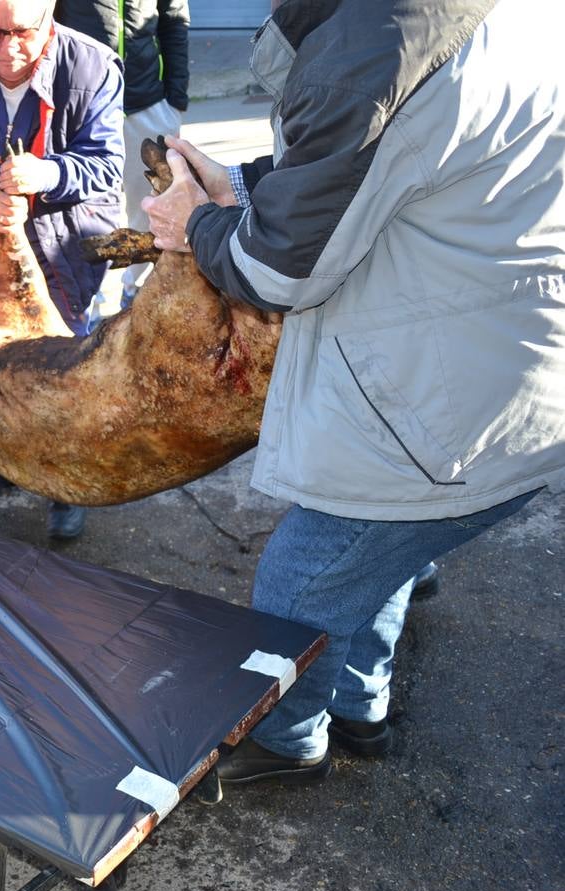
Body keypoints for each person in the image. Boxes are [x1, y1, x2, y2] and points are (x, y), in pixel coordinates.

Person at [141, 0, 565, 785]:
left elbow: (278, 273)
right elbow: (394, 169)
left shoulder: (376, 46)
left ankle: (286, 740)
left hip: (442, 405)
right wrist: (239, 184)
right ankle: (361, 705)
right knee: (386, 547)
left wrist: (195, 225)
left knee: (303, 580)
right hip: (501, 364)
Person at [0, 0, 124, 539]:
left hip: (64, 255)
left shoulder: (92, 64)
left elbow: (108, 164)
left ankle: (64, 484)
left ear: (49, 14)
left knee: (66, 374)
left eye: (21, 32)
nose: (7, 49)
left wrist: (48, 173)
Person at [54, 0, 187, 308]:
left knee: (154, 206)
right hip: (81, 105)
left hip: (147, 103)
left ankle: (138, 291)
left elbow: (175, 18)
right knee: (84, 210)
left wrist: (175, 101)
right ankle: (90, 300)